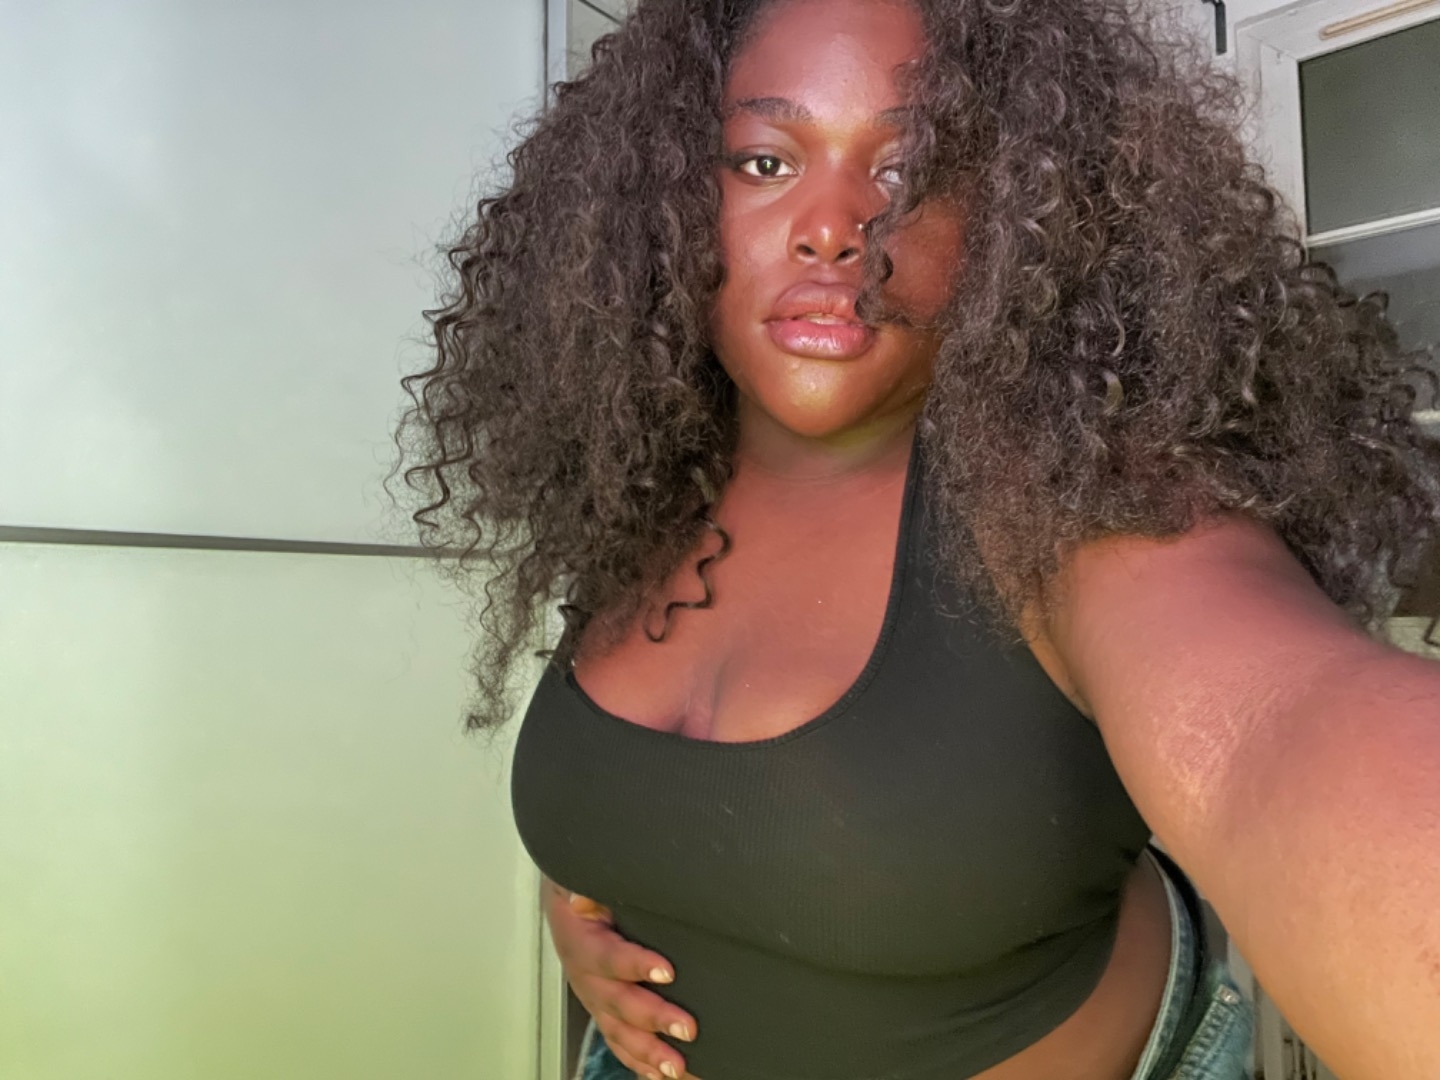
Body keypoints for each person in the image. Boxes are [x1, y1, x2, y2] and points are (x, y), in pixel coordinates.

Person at [393, 1, 1440, 1078]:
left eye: (909, 169)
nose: (833, 227)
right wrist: (589, 893)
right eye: (764, 162)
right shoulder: (646, 478)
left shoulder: (1087, 501)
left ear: (1016, 215)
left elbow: (1280, 730)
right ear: (661, 195)